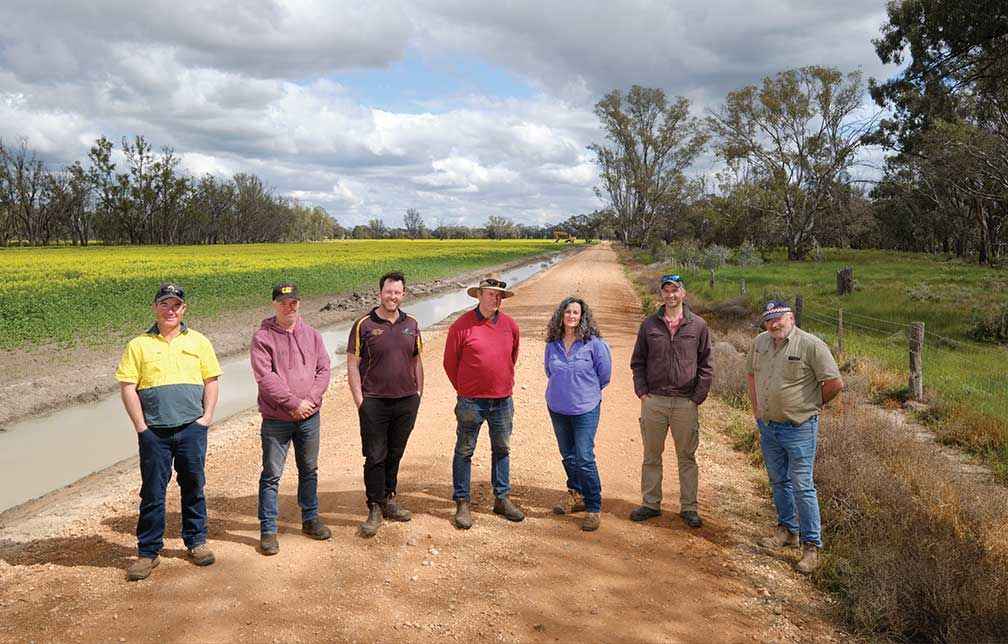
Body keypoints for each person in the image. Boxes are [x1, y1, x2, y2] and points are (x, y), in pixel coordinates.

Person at [115, 283, 221, 581]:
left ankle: (196, 542)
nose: (170, 310)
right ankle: (148, 553)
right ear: (155, 307)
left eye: (176, 305)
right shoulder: (138, 345)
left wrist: (206, 418)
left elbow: (211, 381)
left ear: (183, 309)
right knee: (152, 492)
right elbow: (127, 387)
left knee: (193, 485)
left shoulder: (199, 342)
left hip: (192, 428)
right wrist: (141, 427)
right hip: (155, 433)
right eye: (165, 304)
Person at [747, 300, 843, 574]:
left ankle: (811, 546)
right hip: (769, 426)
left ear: (791, 317)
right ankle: (787, 529)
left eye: (779, 318)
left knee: (803, 485)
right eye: (768, 319)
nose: (774, 324)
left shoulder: (811, 345)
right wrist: (757, 409)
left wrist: (811, 405)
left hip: (800, 427)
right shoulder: (760, 343)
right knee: (778, 480)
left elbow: (834, 383)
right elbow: (751, 374)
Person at [250, 282, 332, 555]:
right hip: (277, 419)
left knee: (309, 469)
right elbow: (266, 378)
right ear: (274, 304)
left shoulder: (312, 335)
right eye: (284, 302)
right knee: (272, 474)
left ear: (299, 303)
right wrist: (293, 403)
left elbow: (323, 369)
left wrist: (310, 402)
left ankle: (310, 518)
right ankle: (268, 530)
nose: (290, 306)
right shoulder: (263, 337)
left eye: (294, 301)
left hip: (310, 416)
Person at [629, 274, 713, 529]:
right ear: (662, 295)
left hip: (685, 403)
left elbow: (707, 365)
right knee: (651, 455)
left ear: (683, 294)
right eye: (666, 291)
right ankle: (651, 504)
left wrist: (696, 398)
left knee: (686, 457)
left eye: (675, 290)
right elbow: (638, 361)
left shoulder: (698, 326)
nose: (670, 295)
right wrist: (643, 392)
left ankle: (689, 508)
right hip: (654, 401)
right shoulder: (649, 325)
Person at [443, 273, 524, 529]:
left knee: (502, 449)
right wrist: (466, 389)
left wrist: (499, 382)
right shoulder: (461, 326)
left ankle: (501, 498)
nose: (496, 299)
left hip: (502, 401)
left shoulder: (510, 325)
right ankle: (462, 502)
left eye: (499, 295)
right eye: (491, 294)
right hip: (471, 402)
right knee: (465, 450)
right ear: (479, 295)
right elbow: (449, 363)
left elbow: (512, 356)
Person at [347, 271, 423, 538]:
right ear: (380, 293)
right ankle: (374, 506)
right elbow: (352, 364)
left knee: (395, 453)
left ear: (403, 294)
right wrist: (360, 400)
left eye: (398, 292)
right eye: (389, 292)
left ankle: (390, 498)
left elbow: (416, 361)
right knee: (375, 455)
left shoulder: (411, 323)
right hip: (374, 402)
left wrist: (418, 394)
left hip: (405, 401)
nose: (393, 296)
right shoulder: (364, 324)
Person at [544, 296, 612, 532]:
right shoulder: (552, 343)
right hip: (558, 407)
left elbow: (605, 375)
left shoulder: (594, 343)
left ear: (582, 317)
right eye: (568, 312)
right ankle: (576, 494)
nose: (571, 316)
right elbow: (549, 371)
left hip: (585, 408)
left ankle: (593, 506)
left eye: (576, 312)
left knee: (584, 456)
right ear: (561, 315)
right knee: (568, 455)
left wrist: (585, 391)